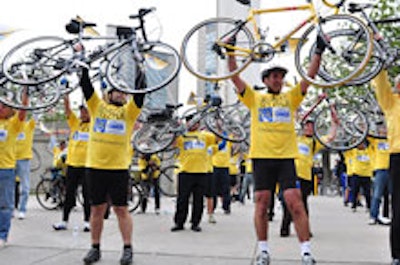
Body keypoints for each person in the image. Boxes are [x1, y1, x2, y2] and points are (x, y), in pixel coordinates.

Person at [227, 34, 326, 265]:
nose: (278, 80)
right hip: (261, 158)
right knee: (262, 202)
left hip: (285, 158)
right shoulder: (254, 98)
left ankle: (306, 252)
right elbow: (233, 76)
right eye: (273, 76)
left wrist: (318, 51)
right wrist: (231, 52)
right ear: (266, 79)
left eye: (281, 76)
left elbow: (309, 76)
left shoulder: (290, 98)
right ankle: (263, 251)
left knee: (295, 201)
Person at [79, 67, 144, 265]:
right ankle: (95, 247)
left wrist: (138, 65)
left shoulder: (129, 112)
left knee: (121, 210)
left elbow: (141, 93)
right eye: (118, 91)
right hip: (95, 167)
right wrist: (82, 64)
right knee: (96, 209)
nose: (121, 94)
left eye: (124, 92)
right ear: (109, 93)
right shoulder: (97, 107)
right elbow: (86, 85)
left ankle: (127, 248)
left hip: (118, 168)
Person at [280, 113, 338, 237]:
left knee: (303, 204)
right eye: (307, 126)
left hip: (306, 176)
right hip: (292, 174)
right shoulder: (296, 138)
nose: (309, 128)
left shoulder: (314, 142)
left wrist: (334, 123)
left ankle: (304, 229)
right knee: (289, 203)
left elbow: (331, 137)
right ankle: (285, 227)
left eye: (312, 126)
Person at [371, 70, 400, 265]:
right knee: (398, 208)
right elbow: (381, 83)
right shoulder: (391, 102)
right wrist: (381, 64)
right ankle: (397, 255)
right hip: (398, 157)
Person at [171, 113, 216, 232]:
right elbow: (173, 144)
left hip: (201, 172)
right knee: (182, 199)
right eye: (190, 122)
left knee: (198, 200)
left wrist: (218, 125)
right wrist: (176, 131)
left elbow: (218, 139)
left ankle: (195, 223)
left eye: (195, 122)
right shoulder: (182, 136)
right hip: (185, 172)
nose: (193, 124)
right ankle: (179, 223)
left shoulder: (205, 136)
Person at [52, 95, 91, 232]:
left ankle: (87, 222)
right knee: (69, 194)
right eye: (81, 111)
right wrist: (65, 95)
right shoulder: (75, 123)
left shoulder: (95, 125)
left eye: (86, 111)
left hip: (87, 166)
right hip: (72, 165)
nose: (83, 113)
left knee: (87, 195)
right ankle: (64, 221)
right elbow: (68, 110)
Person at [0, 98, 27, 247]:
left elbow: (23, 111)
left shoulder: (12, 125)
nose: (1, 108)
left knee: (4, 205)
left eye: (4, 106)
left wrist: (26, 90)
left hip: (5, 169)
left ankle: (2, 235)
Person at [15, 115, 36, 219]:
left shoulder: (29, 126)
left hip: (24, 160)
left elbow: (36, 116)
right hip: (10, 159)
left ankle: (22, 209)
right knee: (8, 186)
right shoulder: (12, 126)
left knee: (25, 187)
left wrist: (40, 102)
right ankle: (9, 209)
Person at [368, 136, 392, 225]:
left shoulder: (392, 138)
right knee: (377, 194)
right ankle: (373, 216)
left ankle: (387, 216)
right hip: (380, 169)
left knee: (392, 195)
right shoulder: (376, 140)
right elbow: (364, 133)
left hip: (393, 168)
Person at [348, 140, 373, 212]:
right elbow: (346, 147)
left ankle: (369, 206)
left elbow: (370, 143)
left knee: (367, 192)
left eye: (362, 144)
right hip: (356, 174)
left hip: (367, 175)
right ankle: (354, 205)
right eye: (359, 144)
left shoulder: (369, 151)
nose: (361, 145)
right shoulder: (354, 151)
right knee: (355, 191)